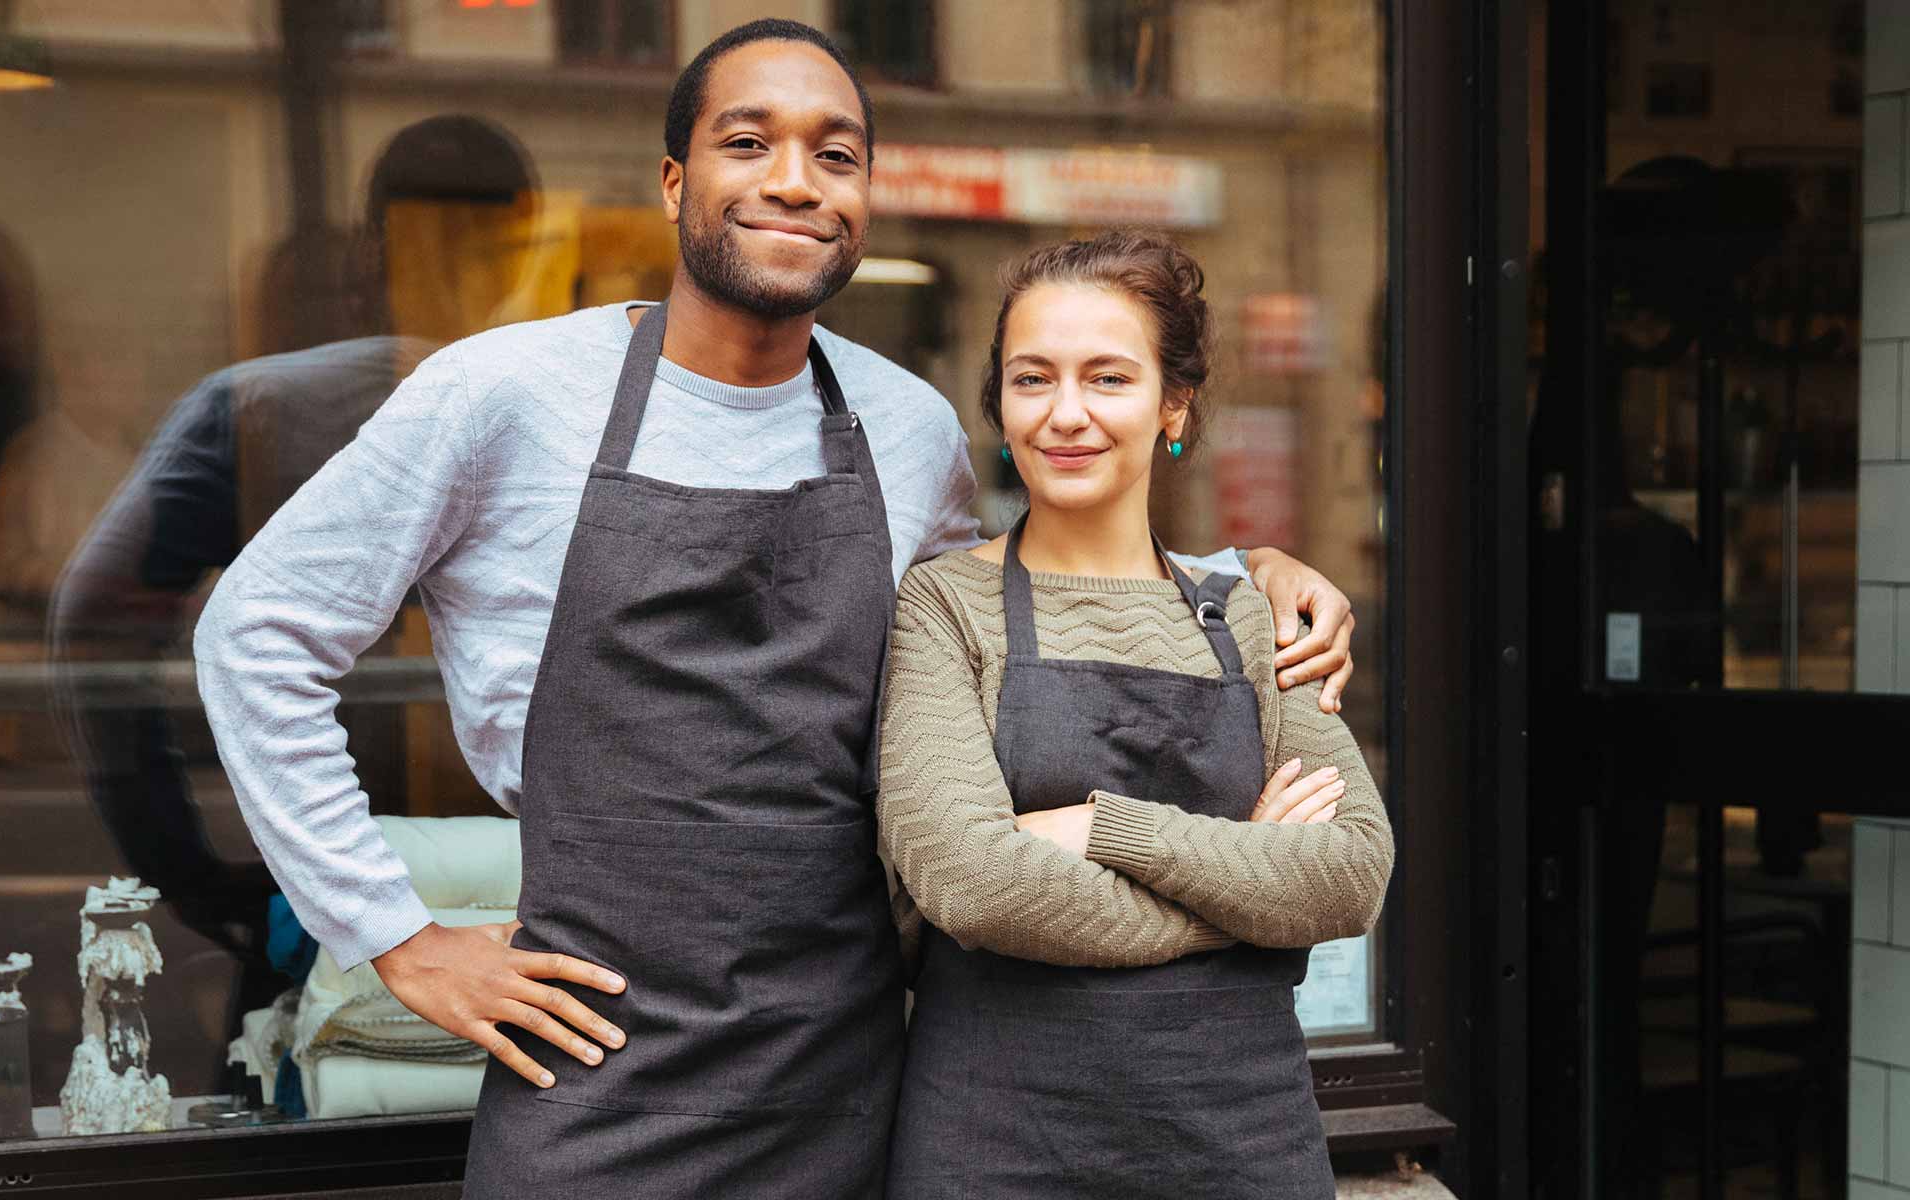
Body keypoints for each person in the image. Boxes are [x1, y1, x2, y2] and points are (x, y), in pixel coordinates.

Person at [193, 21, 1359, 1198]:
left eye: (835, 155)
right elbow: (256, 634)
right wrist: (392, 935)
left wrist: (1242, 566)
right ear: (673, 182)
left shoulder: (905, 432)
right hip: (589, 1081)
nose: (794, 181)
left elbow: (1025, 609)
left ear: (864, 195)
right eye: (746, 142)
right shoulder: (502, 396)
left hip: (845, 1083)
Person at [878, 232, 1395, 1199]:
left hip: (1239, 1143)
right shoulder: (942, 606)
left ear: (1173, 406)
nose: (1066, 413)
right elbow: (976, 883)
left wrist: (1100, 829)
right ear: (999, 404)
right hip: (997, 1142)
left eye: (1108, 379)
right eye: (1033, 379)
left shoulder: (1250, 612)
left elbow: (1351, 873)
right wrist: (1244, 900)